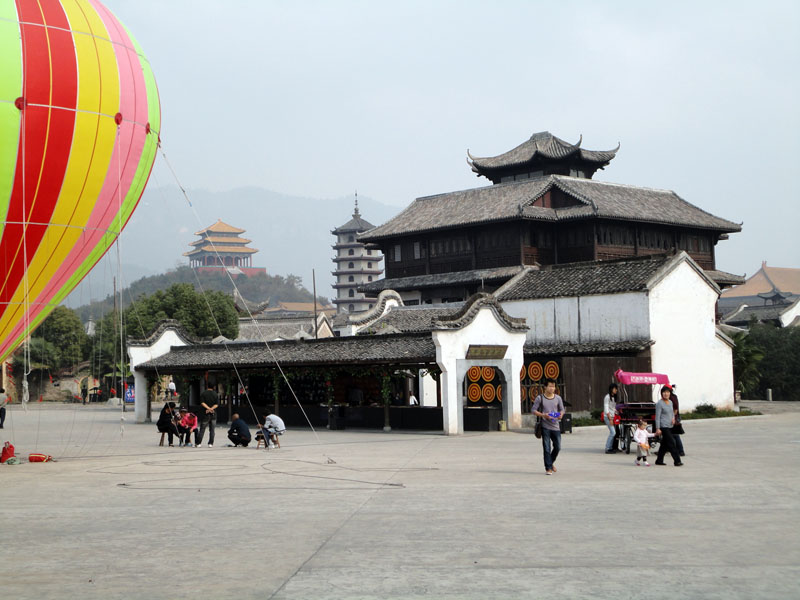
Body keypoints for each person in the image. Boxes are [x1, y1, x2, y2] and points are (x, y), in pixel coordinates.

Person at [532, 378, 565, 475]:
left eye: (553, 386)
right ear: (545, 387)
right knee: (546, 448)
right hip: (545, 426)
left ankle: (550, 462)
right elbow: (533, 410)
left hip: (556, 426)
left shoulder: (558, 398)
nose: (552, 388)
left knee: (558, 447)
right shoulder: (540, 398)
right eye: (550, 386)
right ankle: (548, 468)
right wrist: (543, 415)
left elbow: (562, 409)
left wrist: (561, 415)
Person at [654, 386, 683, 466]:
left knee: (664, 444)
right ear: (661, 394)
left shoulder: (670, 402)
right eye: (664, 392)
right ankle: (677, 461)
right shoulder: (659, 403)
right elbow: (657, 417)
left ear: (670, 393)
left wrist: (673, 419)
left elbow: (672, 413)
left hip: (670, 426)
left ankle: (659, 460)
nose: (666, 394)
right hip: (663, 426)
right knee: (672, 442)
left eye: (667, 392)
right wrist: (658, 428)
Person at [668, 386, 685, 456]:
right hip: (673, 417)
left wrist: (673, 417)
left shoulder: (672, 397)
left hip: (674, 418)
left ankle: (681, 451)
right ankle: (665, 449)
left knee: (675, 434)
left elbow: (675, 409)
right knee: (669, 434)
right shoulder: (673, 396)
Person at [603, 383, 619, 454]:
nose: (616, 390)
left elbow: (612, 408)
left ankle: (611, 447)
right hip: (608, 417)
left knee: (613, 433)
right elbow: (606, 409)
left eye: (616, 388)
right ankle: (607, 448)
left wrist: (616, 411)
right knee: (613, 433)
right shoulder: (607, 397)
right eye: (615, 388)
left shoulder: (614, 397)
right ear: (611, 389)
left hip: (612, 416)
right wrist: (610, 419)